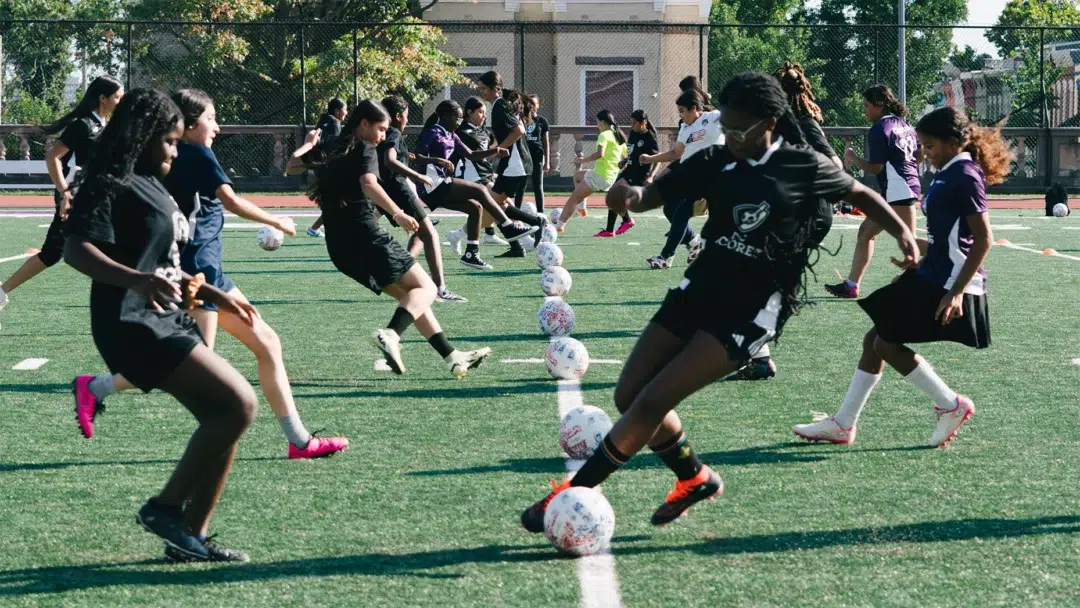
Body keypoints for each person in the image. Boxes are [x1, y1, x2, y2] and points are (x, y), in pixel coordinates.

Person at [518, 72, 917, 531]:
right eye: (723, 125)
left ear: (769, 122)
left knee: (649, 404)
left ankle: (573, 492)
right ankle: (694, 477)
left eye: (736, 128)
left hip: (748, 311)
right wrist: (629, 196)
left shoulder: (800, 164)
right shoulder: (715, 158)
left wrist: (903, 232)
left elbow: (861, 193)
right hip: (700, 289)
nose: (727, 135)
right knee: (629, 394)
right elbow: (653, 196)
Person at [77, 89, 348, 459]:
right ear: (187, 126)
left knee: (250, 348)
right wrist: (278, 220)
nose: (217, 127)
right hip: (195, 274)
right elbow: (232, 201)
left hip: (202, 273)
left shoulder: (161, 161)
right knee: (201, 366)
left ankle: (297, 440)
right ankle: (100, 390)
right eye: (210, 119)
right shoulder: (195, 154)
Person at [64, 88, 259, 562]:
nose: (175, 150)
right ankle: (165, 508)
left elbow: (159, 259)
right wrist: (136, 280)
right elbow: (76, 249)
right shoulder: (110, 180)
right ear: (144, 135)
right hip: (130, 322)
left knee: (224, 417)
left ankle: (188, 536)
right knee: (239, 403)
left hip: (165, 315)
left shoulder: (154, 182)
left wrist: (202, 289)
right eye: (169, 141)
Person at [793, 106, 1004, 447]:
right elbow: (949, 239)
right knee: (874, 339)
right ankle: (844, 424)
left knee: (884, 343)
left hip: (950, 283)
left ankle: (950, 404)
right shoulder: (949, 170)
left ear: (952, 142)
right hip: (934, 273)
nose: (923, 152)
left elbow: (983, 239)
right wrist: (918, 256)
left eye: (930, 146)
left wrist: (957, 292)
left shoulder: (964, 174)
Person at [296, 99, 493, 377]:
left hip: (339, 248)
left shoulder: (329, 146)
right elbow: (369, 184)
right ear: (363, 125)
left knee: (410, 298)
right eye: (379, 129)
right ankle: (391, 334)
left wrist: (308, 143)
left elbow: (292, 165)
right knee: (426, 289)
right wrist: (398, 213)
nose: (382, 136)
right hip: (365, 235)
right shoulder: (364, 147)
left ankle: (451, 356)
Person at [0, 76, 124, 331]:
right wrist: (64, 191)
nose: (120, 102)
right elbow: (53, 156)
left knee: (61, 251)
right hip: (76, 196)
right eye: (118, 97)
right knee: (56, 252)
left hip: (96, 195)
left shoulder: (108, 123)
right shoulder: (83, 125)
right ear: (103, 98)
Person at [414, 99, 538, 269]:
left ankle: (471, 253)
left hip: (440, 185)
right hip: (430, 185)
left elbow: (471, 154)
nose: (459, 122)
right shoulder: (433, 133)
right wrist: (438, 160)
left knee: (476, 208)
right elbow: (415, 156)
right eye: (456, 118)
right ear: (444, 117)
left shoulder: (452, 135)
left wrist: (495, 150)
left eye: (460, 118)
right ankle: (509, 228)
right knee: (480, 190)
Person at [826, 84, 921, 298]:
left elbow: (875, 167)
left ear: (880, 105)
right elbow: (919, 155)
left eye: (867, 105)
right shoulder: (904, 124)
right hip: (903, 186)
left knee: (909, 242)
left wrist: (853, 158)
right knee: (867, 233)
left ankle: (951, 257)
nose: (865, 110)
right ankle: (852, 285)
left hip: (898, 188)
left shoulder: (880, 129)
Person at [378, 95, 466, 302]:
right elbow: (389, 161)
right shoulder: (393, 133)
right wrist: (416, 175)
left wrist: (406, 158)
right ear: (399, 116)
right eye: (406, 116)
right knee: (432, 235)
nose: (407, 120)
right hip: (399, 190)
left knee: (420, 232)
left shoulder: (383, 134)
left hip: (386, 191)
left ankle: (400, 268)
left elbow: (387, 158)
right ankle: (440, 289)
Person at [638, 89, 720, 269]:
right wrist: (651, 159)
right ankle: (693, 241)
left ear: (694, 108)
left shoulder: (714, 118)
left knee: (683, 212)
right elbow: (677, 153)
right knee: (670, 209)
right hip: (693, 177)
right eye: (679, 112)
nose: (681, 116)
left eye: (683, 111)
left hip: (714, 177)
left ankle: (666, 257)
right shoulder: (685, 127)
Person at [474, 72, 547, 258]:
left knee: (489, 203)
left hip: (516, 165)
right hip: (516, 164)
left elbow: (518, 131)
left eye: (483, 89)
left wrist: (497, 150)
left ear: (495, 89)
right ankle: (518, 244)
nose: (481, 92)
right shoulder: (501, 105)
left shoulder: (500, 106)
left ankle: (535, 222)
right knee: (500, 204)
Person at [552, 110, 627, 232]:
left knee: (573, 199)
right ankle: (582, 208)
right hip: (610, 177)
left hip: (599, 176)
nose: (597, 125)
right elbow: (627, 155)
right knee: (577, 176)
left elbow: (599, 154)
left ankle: (559, 225)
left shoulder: (604, 135)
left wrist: (582, 160)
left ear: (602, 122)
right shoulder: (617, 135)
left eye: (597, 122)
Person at [596, 109, 656, 238]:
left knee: (614, 194)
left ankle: (622, 223)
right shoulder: (633, 133)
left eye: (635, 123)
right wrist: (624, 160)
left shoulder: (649, 137)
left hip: (639, 174)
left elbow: (657, 160)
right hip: (629, 170)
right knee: (613, 196)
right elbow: (632, 153)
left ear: (643, 122)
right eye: (631, 122)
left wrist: (651, 176)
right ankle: (615, 227)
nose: (632, 125)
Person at [307, 97, 347, 239]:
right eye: (345, 110)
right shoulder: (335, 123)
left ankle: (316, 228)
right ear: (337, 111)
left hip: (319, 165)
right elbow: (334, 148)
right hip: (329, 166)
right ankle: (315, 228)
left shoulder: (324, 121)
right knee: (338, 201)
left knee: (336, 201)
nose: (346, 113)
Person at [517, 93, 550, 213]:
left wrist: (547, 162)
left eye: (534, 104)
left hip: (537, 157)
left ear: (538, 105)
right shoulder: (521, 120)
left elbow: (546, 142)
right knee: (521, 186)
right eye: (529, 103)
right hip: (524, 157)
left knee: (538, 186)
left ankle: (541, 214)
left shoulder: (542, 121)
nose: (531, 106)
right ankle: (517, 212)